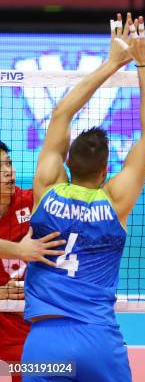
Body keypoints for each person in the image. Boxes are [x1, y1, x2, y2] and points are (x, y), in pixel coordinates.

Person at [21, 13, 145, 382]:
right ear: (105, 173)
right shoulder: (115, 201)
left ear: (66, 162)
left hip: (43, 340)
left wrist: (111, 62)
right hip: (98, 339)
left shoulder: (47, 188)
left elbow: (60, 114)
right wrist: (143, 64)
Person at [0, 141, 65, 381]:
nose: (9, 171)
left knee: (48, 369)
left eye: (9, 163)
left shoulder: (31, 202)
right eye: (0, 167)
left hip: (27, 318)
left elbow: (61, 186)